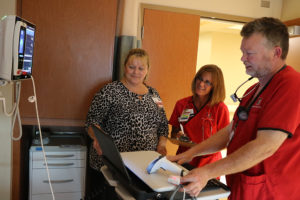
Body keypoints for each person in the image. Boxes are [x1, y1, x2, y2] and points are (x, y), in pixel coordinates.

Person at [168, 17, 300, 200]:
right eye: (242, 52)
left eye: (249, 53)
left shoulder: (291, 85)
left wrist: (206, 172)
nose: (242, 58)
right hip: (243, 187)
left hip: (270, 192)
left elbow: (266, 146)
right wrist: (190, 154)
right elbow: (231, 130)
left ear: (276, 53)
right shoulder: (252, 91)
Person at [85, 48, 169, 199]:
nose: (136, 71)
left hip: (143, 168)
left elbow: (163, 125)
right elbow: (92, 121)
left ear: (147, 70)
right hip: (112, 165)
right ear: (125, 67)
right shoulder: (110, 91)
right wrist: (97, 139)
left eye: (141, 68)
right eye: (132, 67)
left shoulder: (154, 94)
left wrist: (162, 145)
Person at [169, 64, 229, 169]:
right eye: (199, 79)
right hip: (184, 159)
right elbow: (174, 133)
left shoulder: (220, 109)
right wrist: (178, 135)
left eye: (207, 82)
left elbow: (224, 140)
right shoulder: (182, 104)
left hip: (208, 163)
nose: (201, 84)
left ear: (215, 86)